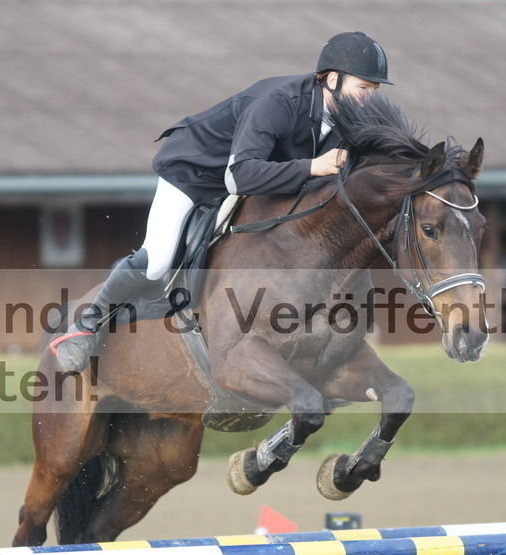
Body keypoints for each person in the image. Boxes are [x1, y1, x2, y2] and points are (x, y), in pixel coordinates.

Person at [50, 31, 393, 372]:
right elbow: (239, 176)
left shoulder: (352, 119)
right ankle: (86, 324)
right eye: (363, 89)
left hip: (256, 185)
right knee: (157, 260)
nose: (369, 100)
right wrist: (313, 166)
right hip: (195, 175)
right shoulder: (278, 102)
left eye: (374, 92)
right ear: (332, 79)